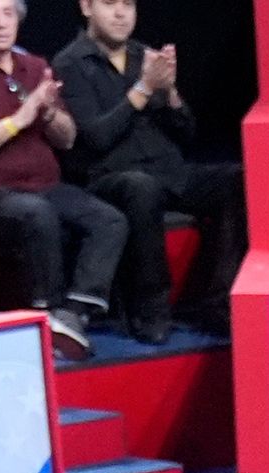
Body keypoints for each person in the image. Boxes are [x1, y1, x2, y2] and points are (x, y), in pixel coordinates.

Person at [0, 0, 112, 352]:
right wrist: (20, 119)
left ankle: (73, 312)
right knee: (37, 214)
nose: (2, 23)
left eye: (9, 13)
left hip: (43, 186)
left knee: (108, 219)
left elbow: (68, 138)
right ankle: (44, 312)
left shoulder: (34, 67)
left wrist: (47, 115)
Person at [51, 0, 229, 346]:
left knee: (237, 181)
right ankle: (151, 309)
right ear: (86, 8)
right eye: (109, 4)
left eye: (128, 5)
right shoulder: (70, 63)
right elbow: (96, 137)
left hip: (169, 170)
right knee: (140, 187)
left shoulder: (143, 56)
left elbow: (187, 132)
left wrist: (170, 92)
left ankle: (220, 299)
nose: (121, 14)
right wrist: (144, 89)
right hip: (112, 175)